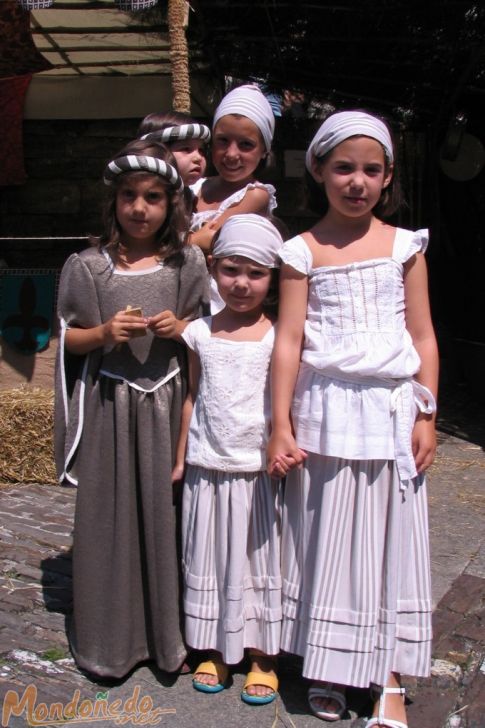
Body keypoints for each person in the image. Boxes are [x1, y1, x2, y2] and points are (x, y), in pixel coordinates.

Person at [267, 111, 439, 727]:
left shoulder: (403, 247)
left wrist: (427, 412)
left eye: (371, 169)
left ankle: (388, 675)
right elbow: (288, 341)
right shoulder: (300, 251)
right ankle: (331, 662)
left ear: (388, 176)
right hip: (325, 412)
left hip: (391, 414)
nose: (357, 181)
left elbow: (422, 334)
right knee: (326, 539)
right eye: (344, 167)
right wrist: (280, 423)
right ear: (318, 171)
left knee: (390, 543)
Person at [54, 138, 210, 678]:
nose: (139, 208)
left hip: (170, 410)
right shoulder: (89, 268)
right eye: (128, 196)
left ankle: (173, 640)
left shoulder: (188, 263)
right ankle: (111, 643)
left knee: (170, 517)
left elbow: (215, 331)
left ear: (172, 205)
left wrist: (184, 328)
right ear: (113, 201)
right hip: (111, 409)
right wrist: (101, 332)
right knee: (111, 520)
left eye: (152, 197)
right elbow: (68, 340)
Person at [173, 214, 284, 705]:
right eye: (232, 270)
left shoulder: (278, 337)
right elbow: (193, 396)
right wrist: (182, 458)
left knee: (257, 562)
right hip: (207, 467)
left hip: (257, 474)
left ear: (273, 277)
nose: (242, 284)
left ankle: (262, 653)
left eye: (256, 273)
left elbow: (286, 404)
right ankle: (216, 645)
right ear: (214, 268)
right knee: (214, 559)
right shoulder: (198, 333)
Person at [188, 84, 277, 256]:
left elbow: (209, 240)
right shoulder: (195, 186)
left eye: (246, 144)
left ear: (264, 150)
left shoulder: (255, 194)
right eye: (223, 140)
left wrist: (166, 246)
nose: (231, 154)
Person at [137, 111, 211, 217]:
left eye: (201, 150)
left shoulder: (188, 196)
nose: (198, 157)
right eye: (186, 149)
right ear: (156, 152)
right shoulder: (144, 197)